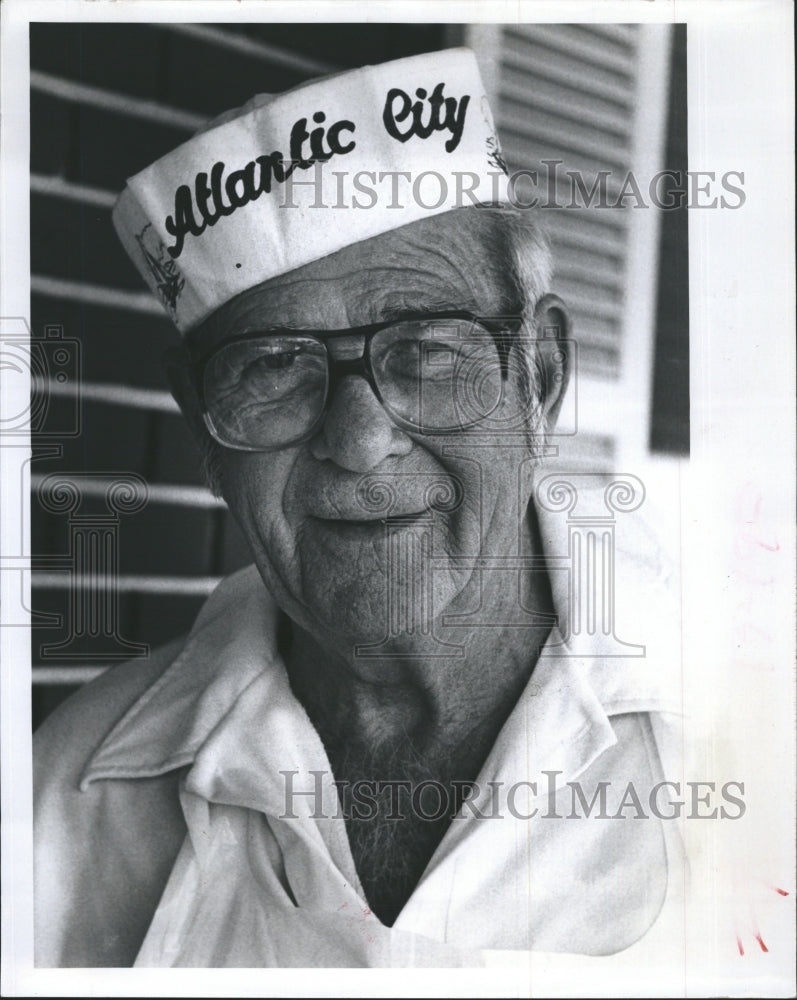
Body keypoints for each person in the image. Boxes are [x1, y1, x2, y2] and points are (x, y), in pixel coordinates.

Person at [33, 48, 683, 967]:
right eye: (274, 366)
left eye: (426, 350)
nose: (360, 440)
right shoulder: (69, 790)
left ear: (538, 378)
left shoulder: (747, 721)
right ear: (204, 429)